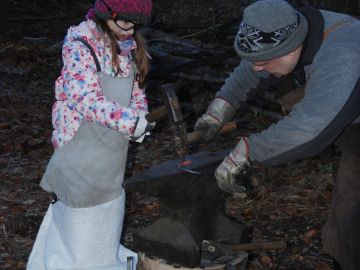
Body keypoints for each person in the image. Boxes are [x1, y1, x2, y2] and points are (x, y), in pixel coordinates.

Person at [194, 0, 360, 269]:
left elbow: (310, 129)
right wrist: (221, 107)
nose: (257, 68)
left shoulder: (343, 56)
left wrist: (248, 152)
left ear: (293, 48)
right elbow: (251, 67)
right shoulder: (294, 26)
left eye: (264, 62)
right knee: (348, 219)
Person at [26, 0, 153, 269]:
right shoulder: (79, 45)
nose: (131, 29)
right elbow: (85, 101)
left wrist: (142, 116)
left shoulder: (126, 47)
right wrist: (129, 121)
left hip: (111, 155)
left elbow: (136, 93)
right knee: (77, 233)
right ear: (107, 13)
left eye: (136, 24)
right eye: (126, 22)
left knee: (106, 220)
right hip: (78, 150)